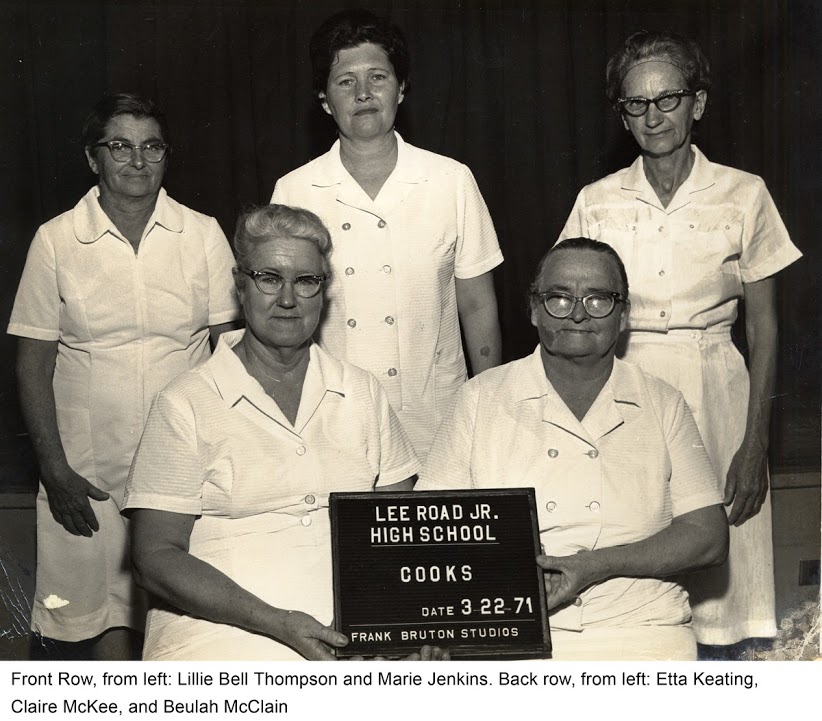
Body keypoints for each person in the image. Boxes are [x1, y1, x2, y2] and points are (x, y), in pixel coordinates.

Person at [557, 31, 802, 648]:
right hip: (625, 384)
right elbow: (568, 309)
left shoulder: (744, 193)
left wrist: (756, 444)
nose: (653, 116)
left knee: (725, 584)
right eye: (636, 104)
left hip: (717, 385)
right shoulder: (598, 201)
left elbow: (765, 327)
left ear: (698, 103)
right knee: (633, 559)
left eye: (668, 99)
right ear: (622, 116)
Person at [124, 204, 447, 661]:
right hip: (219, 631)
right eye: (269, 278)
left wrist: (400, 625)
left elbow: (403, 534)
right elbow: (155, 557)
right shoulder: (186, 402)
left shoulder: (361, 391)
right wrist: (276, 622)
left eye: (306, 281)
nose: (288, 299)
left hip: (353, 625)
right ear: (240, 285)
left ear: (323, 291)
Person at [8, 93, 240, 659]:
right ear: (93, 158)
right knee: (99, 617)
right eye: (120, 146)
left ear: (166, 156)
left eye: (152, 147)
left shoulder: (202, 233)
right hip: (86, 468)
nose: (138, 161)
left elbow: (229, 351)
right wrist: (55, 470)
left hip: (182, 460)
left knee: (183, 617)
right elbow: (32, 362)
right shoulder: (56, 239)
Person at [417, 239, 728, 660]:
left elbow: (708, 537)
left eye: (598, 299)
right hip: (508, 631)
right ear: (534, 309)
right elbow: (428, 530)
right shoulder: (480, 398)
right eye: (559, 298)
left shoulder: (662, 402)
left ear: (623, 315)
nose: (578, 314)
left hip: (643, 629)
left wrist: (595, 566)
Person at [271, 9, 503, 460]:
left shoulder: (450, 180)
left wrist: (488, 407)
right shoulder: (294, 190)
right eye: (345, 82)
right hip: (333, 418)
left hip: (437, 415)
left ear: (401, 88)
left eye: (377, 77)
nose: (363, 93)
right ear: (324, 100)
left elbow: (478, 306)